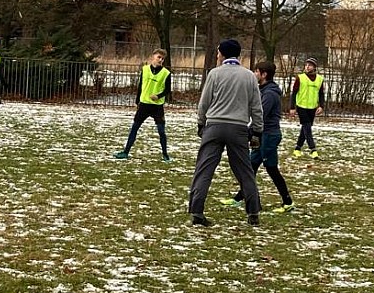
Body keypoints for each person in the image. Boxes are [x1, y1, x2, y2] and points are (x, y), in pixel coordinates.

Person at [188, 39, 264, 227]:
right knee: (245, 171)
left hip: (214, 126)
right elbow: (256, 107)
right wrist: (257, 131)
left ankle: (197, 210)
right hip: (238, 128)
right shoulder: (249, 77)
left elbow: (204, 103)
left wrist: (200, 123)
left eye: (218, 52)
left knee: (204, 169)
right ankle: (253, 211)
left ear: (222, 54)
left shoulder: (214, 74)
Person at [222, 60, 294, 214]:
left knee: (271, 169)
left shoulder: (270, 94)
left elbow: (260, 117)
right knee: (250, 166)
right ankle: (239, 198)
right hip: (261, 136)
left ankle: (287, 201)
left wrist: (246, 132)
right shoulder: (262, 90)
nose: (254, 74)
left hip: (269, 136)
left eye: (256, 71)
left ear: (264, 74)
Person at [114, 48, 173, 162]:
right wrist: (137, 101)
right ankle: (125, 152)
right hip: (144, 105)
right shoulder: (145, 69)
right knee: (134, 128)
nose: (160, 60)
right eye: (158, 57)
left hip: (157, 107)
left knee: (161, 131)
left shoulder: (166, 73)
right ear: (153, 57)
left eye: (162, 58)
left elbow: (168, 90)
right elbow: (140, 86)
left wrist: (159, 96)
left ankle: (165, 155)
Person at [289, 58, 325, 158]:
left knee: (305, 128)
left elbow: (321, 94)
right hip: (301, 106)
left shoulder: (319, 79)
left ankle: (297, 148)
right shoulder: (300, 78)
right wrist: (292, 107)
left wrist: (321, 106)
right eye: (306, 65)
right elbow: (294, 93)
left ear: (314, 67)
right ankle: (313, 149)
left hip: (312, 107)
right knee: (307, 128)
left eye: (310, 65)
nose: (307, 67)